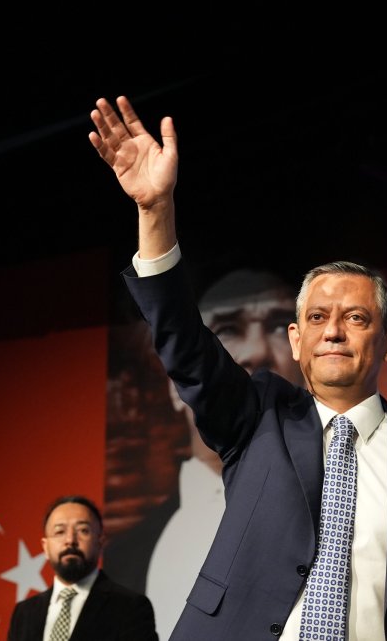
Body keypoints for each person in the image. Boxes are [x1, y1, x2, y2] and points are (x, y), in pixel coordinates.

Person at [88, 95, 387, 640]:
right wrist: (155, 212)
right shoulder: (259, 416)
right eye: (318, 317)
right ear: (297, 342)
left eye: (356, 318)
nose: (334, 330)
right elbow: (183, 341)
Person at [109, 266, 309, 639]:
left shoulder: (350, 504)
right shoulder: (124, 554)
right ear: (173, 383)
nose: (256, 352)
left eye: (281, 325)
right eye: (228, 329)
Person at [6, 496, 157, 641]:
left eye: (83, 530)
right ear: (45, 547)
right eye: (60, 531)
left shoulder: (129, 607)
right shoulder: (24, 613)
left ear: (100, 542)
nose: (70, 540)